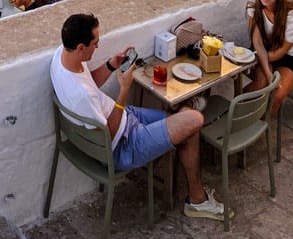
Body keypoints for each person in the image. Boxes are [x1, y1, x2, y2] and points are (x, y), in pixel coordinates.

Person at [51, 13, 226, 221]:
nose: (97, 46)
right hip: (120, 147)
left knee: (186, 119)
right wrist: (124, 89)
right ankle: (197, 201)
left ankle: (195, 194)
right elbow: (109, 135)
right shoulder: (82, 96)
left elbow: (89, 82)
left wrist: (110, 65)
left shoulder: (61, 56)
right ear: (81, 47)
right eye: (95, 43)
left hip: (125, 120)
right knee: (194, 120)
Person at [246, 0, 293, 121]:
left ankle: (260, 125)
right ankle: (238, 117)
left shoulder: (292, 16)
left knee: (276, 94)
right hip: (261, 51)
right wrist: (267, 71)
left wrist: (260, 63)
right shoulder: (254, 4)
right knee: (260, 83)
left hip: (287, 59)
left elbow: (280, 53)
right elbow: (256, 40)